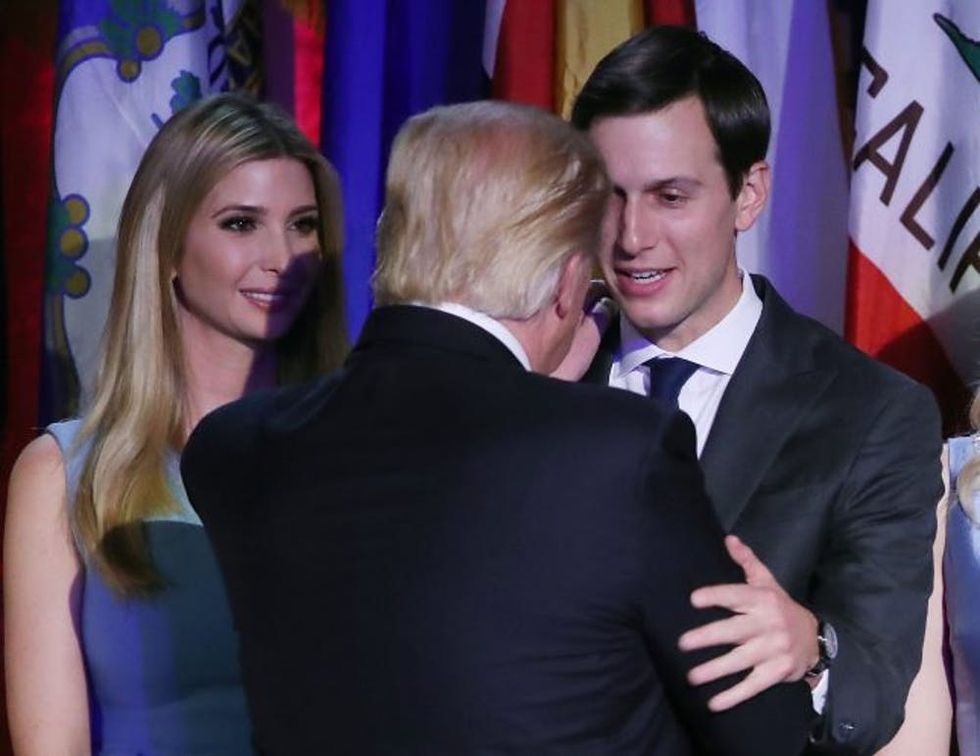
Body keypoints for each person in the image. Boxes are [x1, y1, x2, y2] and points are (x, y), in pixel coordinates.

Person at [182, 100, 814, 755]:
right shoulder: (619, 450)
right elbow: (761, 732)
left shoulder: (233, 451)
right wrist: (809, 651)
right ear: (569, 284)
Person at [571, 26, 943, 753]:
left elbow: (873, 688)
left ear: (749, 194)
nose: (632, 236)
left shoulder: (871, 412)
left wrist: (811, 650)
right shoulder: (534, 376)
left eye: (670, 196)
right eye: (607, 197)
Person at [3, 92, 347, 754]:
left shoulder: (360, 451)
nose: (283, 256)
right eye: (242, 224)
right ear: (165, 247)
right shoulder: (63, 475)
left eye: (303, 225)